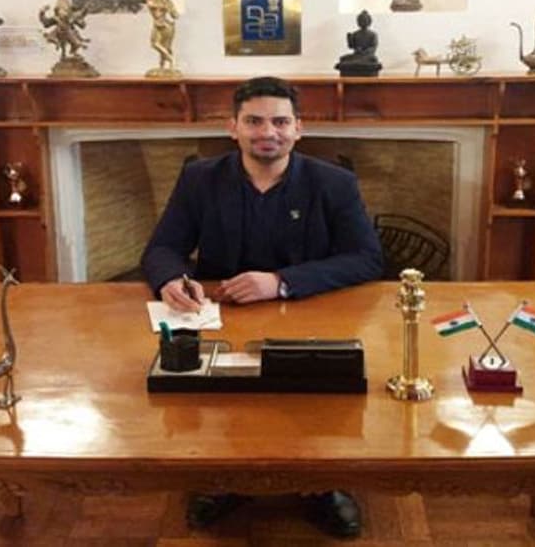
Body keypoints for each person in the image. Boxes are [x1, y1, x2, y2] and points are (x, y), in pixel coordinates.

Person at [141, 76, 383, 538]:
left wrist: (281, 282)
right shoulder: (199, 178)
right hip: (223, 315)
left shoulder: (334, 183)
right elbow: (163, 248)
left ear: (298, 128)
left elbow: (368, 258)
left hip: (311, 312)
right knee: (225, 402)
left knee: (312, 400)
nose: (267, 132)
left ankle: (321, 484)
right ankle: (225, 479)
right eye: (254, 121)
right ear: (232, 127)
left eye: (280, 122)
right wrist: (170, 278)